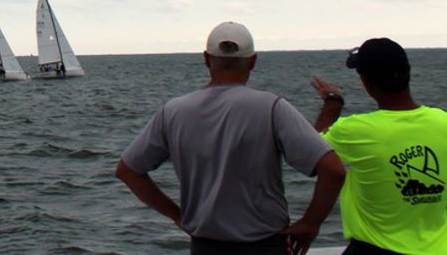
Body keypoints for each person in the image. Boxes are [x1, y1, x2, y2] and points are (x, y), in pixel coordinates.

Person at [115, 21, 345, 255]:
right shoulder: (272, 107)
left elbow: (128, 171)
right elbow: (334, 170)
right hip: (266, 245)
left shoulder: (172, 111)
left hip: (205, 246)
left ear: (206, 59)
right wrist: (310, 224)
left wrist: (179, 216)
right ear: (253, 61)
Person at [310, 38, 447, 254]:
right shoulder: (443, 122)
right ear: (408, 72)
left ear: (366, 82)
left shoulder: (355, 129)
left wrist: (332, 104)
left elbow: (311, 152)